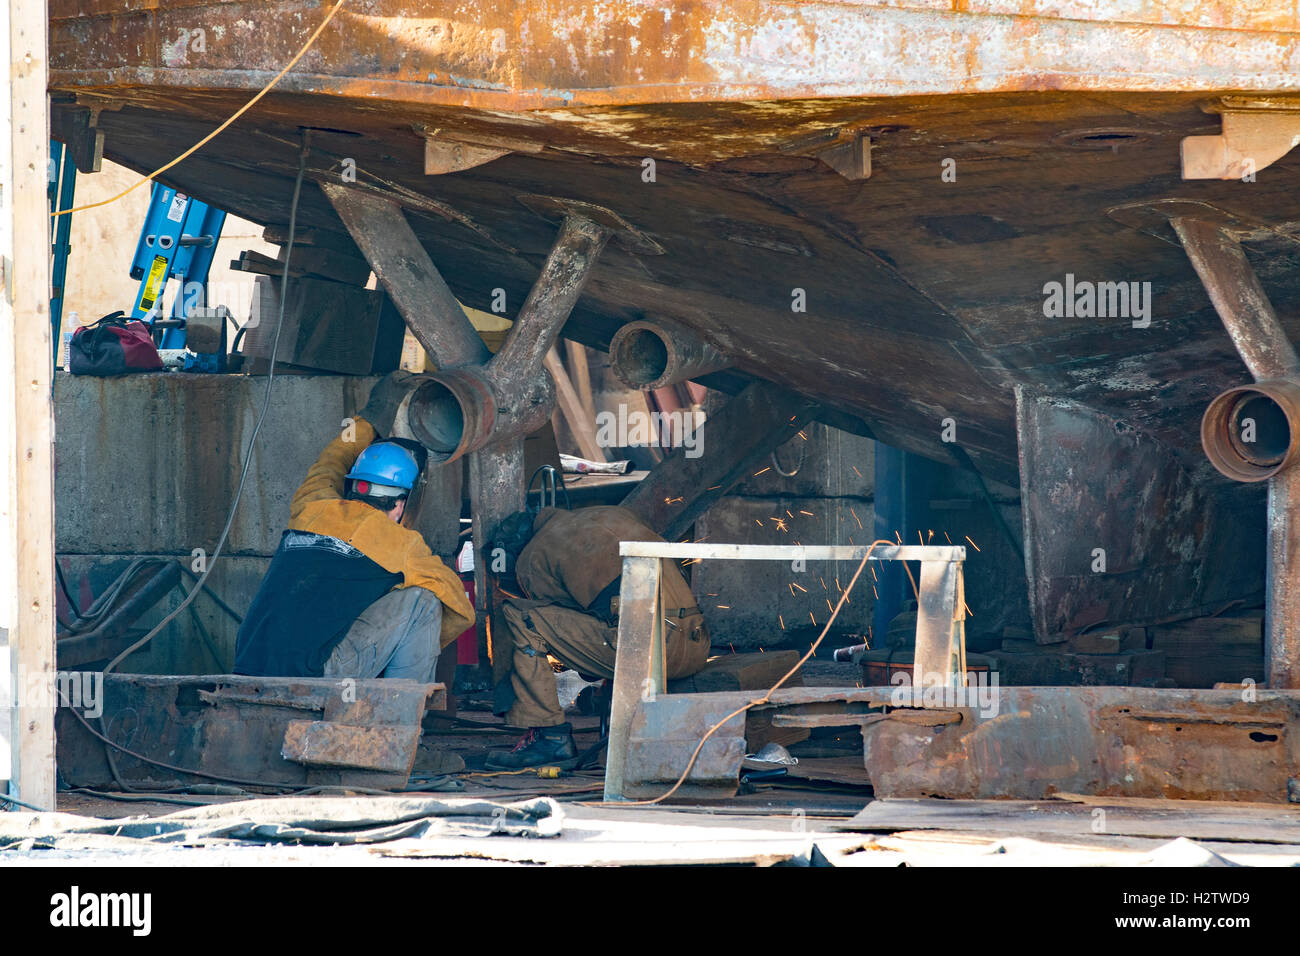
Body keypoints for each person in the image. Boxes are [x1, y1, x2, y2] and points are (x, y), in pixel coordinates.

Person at [234, 372, 473, 682]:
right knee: (424, 602)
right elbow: (460, 610)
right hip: (313, 677)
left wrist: (376, 411)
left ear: (355, 485)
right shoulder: (402, 546)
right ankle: (398, 717)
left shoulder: (311, 507)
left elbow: (332, 460)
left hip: (248, 666)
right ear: (401, 504)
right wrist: (405, 646)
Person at [484, 505, 711, 769]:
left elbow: (554, 625)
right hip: (696, 645)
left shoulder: (533, 555)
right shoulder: (610, 513)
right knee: (618, 612)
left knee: (521, 617)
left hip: (650, 648)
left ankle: (549, 736)